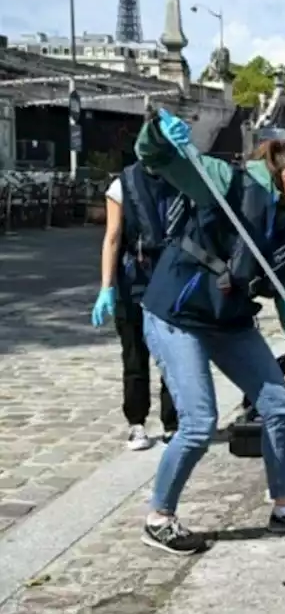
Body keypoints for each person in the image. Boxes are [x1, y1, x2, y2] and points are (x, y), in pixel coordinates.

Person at [134, 110, 285, 555]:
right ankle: (159, 518)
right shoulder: (225, 183)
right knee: (198, 422)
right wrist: (158, 131)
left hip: (228, 320)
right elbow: (155, 158)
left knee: (278, 404)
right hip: (178, 312)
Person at [92, 163, 183, 450]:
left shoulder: (182, 178)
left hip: (171, 278)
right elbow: (113, 237)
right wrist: (106, 286)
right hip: (133, 279)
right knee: (134, 355)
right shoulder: (122, 185)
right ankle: (136, 423)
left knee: (174, 357)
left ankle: (173, 423)